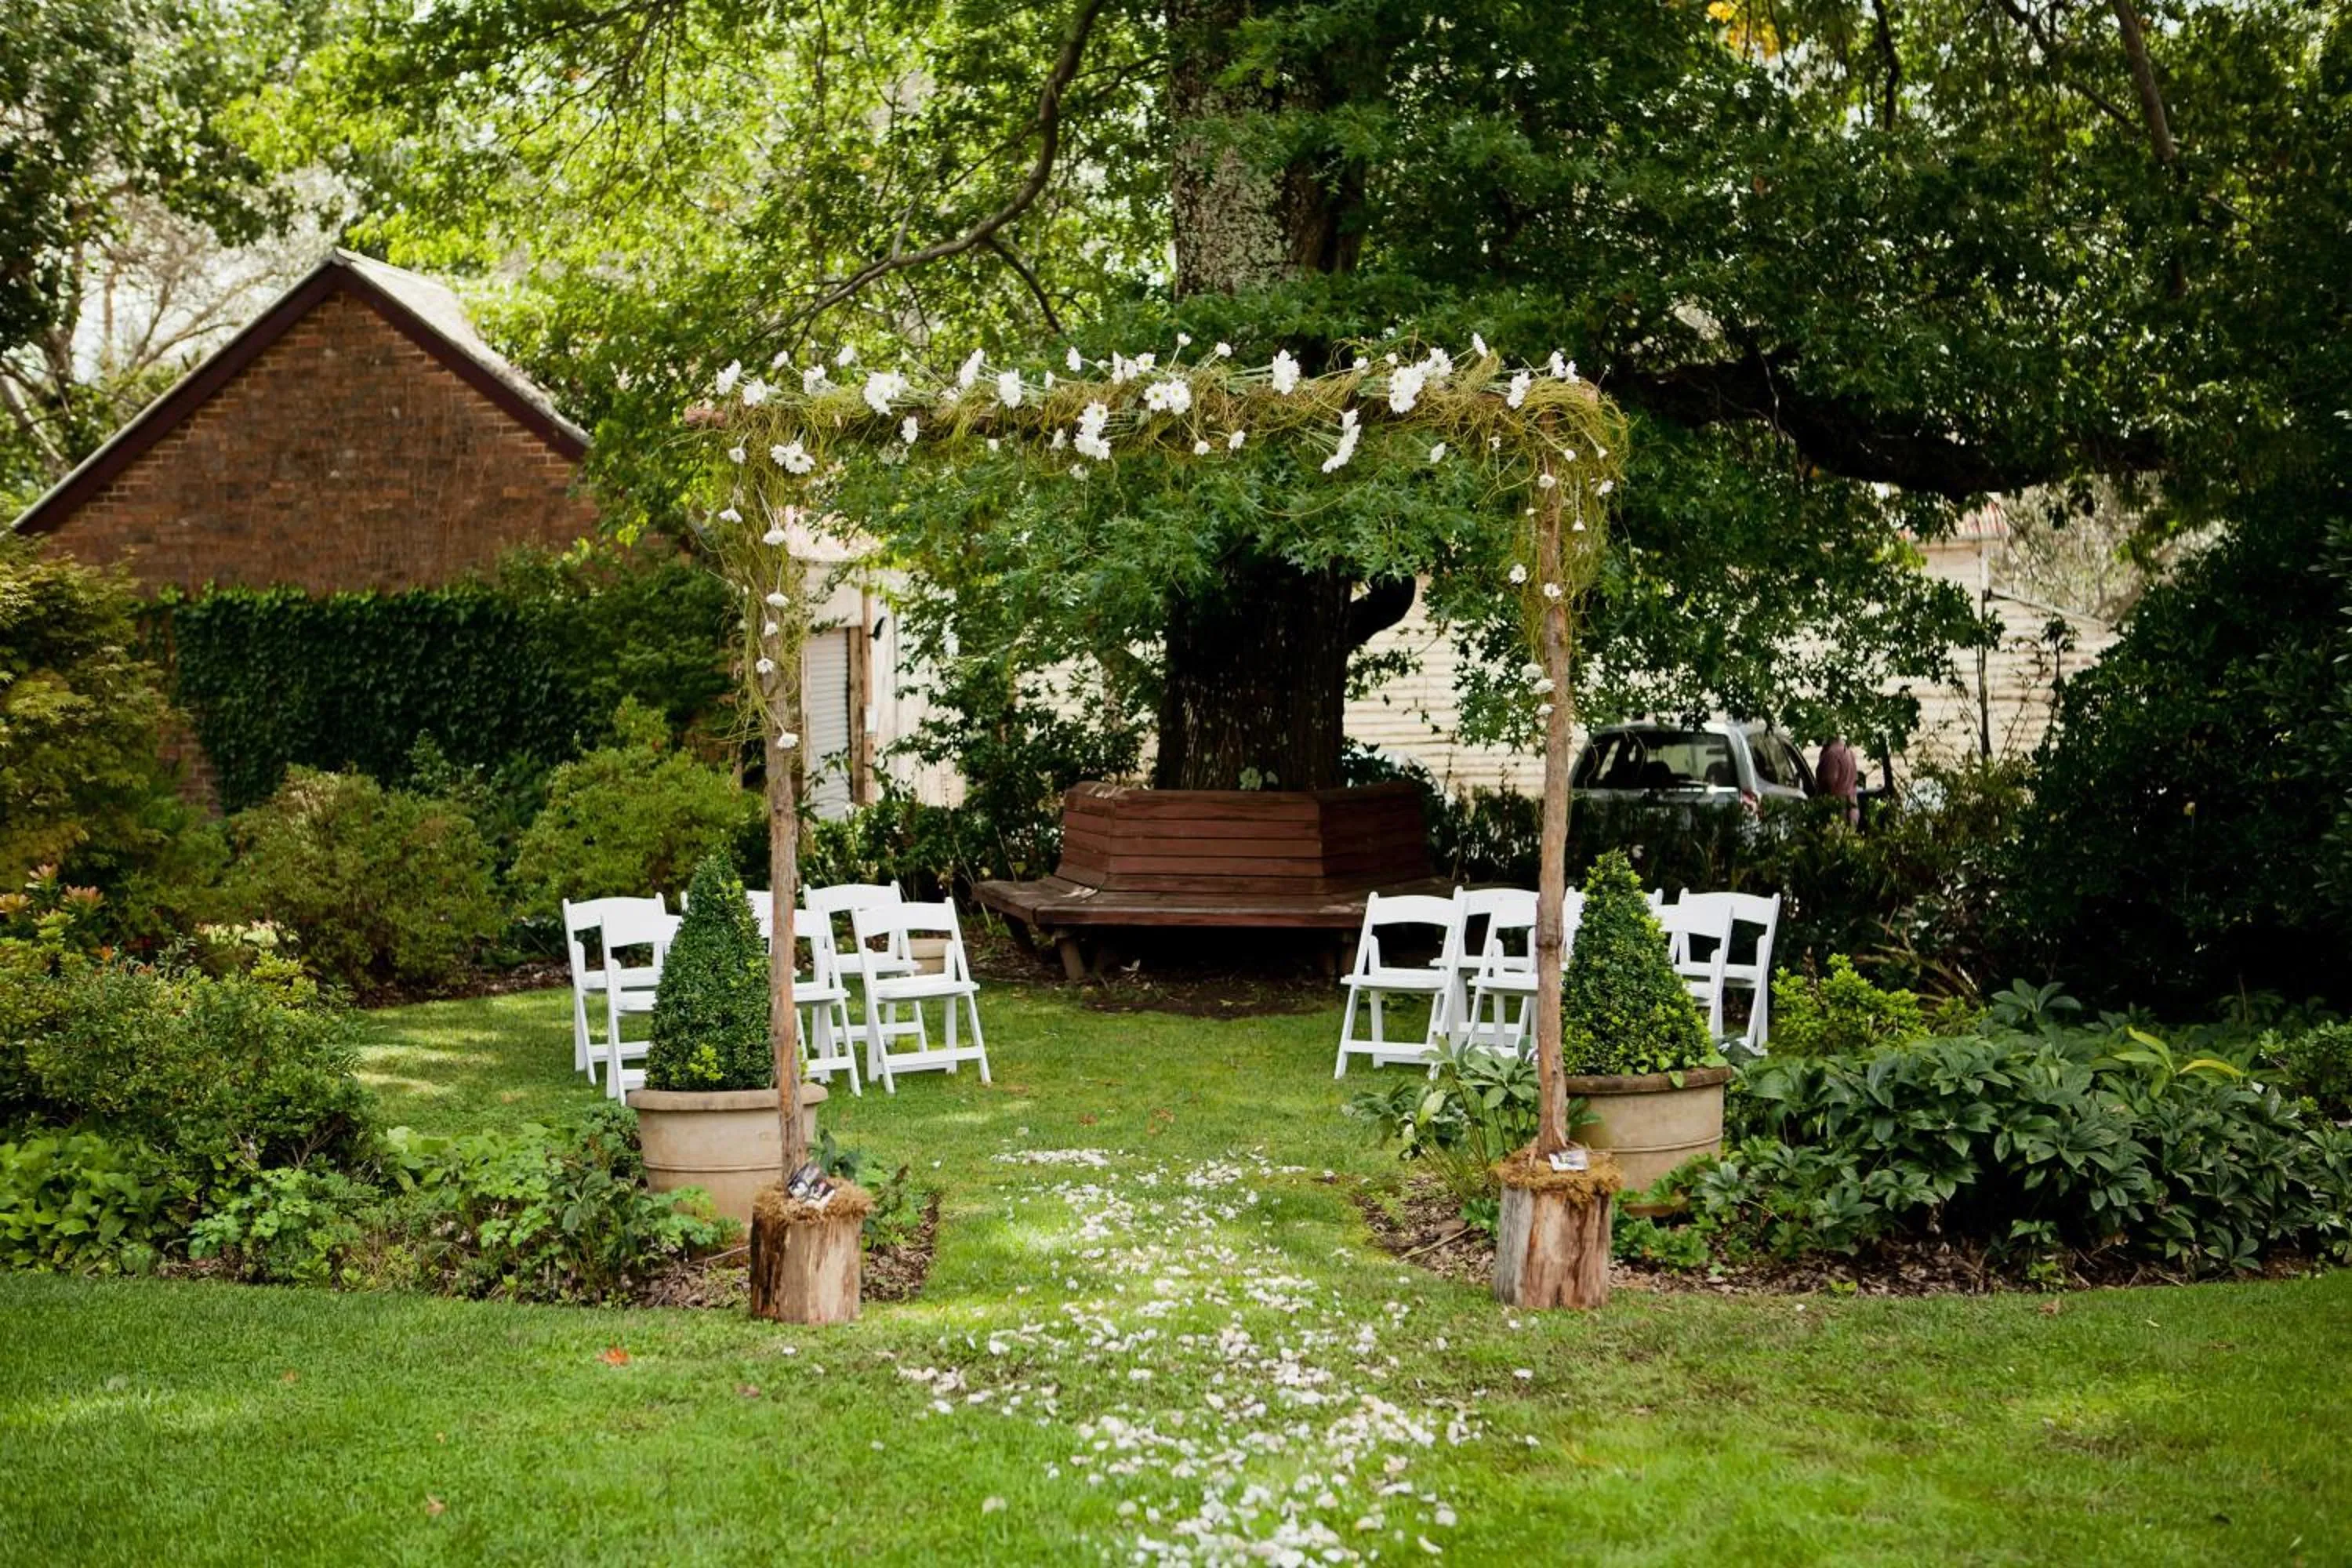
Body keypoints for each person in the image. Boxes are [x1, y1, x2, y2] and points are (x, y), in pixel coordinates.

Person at [1816, 735, 1860, 826]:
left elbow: (1829, 782)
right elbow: (1855, 780)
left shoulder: (1831, 755)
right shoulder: (1849, 753)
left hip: (1838, 810)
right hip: (1852, 809)